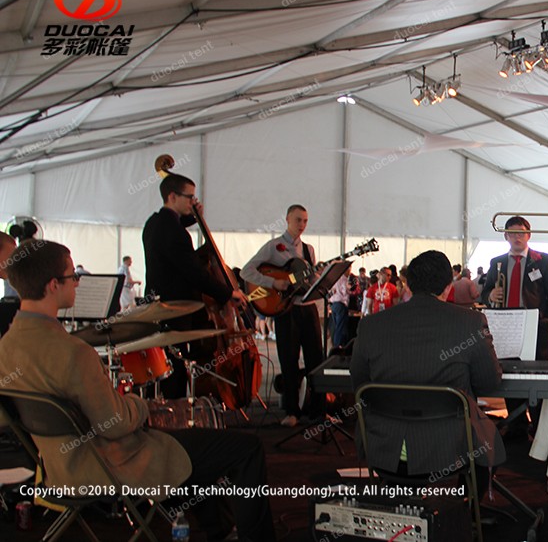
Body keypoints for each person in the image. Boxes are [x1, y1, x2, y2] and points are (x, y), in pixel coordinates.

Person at [0, 241, 274, 541]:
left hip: (57, 470)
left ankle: (219, 530)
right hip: (107, 466)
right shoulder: (73, 352)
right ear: (53, 285)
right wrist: (139, 405)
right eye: (71, 276)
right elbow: (115, 423)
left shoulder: (7, 346)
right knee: (246, 449)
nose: (77, 283)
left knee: (198, 451)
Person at [351, 250, 505, 496]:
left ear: (407, 284)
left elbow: (359, 383)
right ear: (448, 286)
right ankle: (466, 510)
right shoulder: (471, 322)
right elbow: (489, 383)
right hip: (449, 449)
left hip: (383, 447)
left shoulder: (370, 325)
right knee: (485, 433)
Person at [143, 172, 247, 398]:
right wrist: (228, 293)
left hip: (158, 306)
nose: (193, 201)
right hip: (176, 308)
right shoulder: (175, 232)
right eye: (189, 197)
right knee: (176, 368)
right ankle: (177, 413)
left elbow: (174, 230)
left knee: (165, 365)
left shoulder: (153, 223)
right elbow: (195, 273)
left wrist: (194, 216)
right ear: (172, 196)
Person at [241, 204, 323, 428]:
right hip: (285, 310)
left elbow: (309, 278)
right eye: (298, 220)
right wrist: (273, 282)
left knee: (316, 358)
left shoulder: (309, 250)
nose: (302, 225)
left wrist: (319, 278)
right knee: (288, 359)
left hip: (307, 308)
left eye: (305, 221)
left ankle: (318, 410)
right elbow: (246, 271)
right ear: (287, 219)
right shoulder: (273, 247)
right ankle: (291, 411)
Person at [480, 216, 548, 437]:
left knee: (536, 379)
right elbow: (484, 292)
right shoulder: (496, 262)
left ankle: (539, 430)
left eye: (521, 233)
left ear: (529, 235)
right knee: (508, 376)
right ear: (505, 236)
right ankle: (516, 427)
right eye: (512, 233)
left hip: (536, 331)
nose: (517, 237)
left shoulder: (543, 260)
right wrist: (490, 295)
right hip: (506, 329)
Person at [329, 265, 352, 349]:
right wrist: (350, 290)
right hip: (341, 304)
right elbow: (344, 291)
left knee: (336, 326)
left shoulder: (335, 278)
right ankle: (338, 346)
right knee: (340, 326)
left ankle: (336, 344)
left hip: (333, 304)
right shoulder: (344, 279)